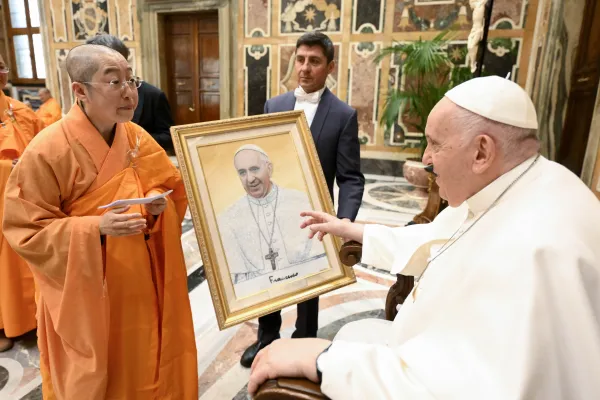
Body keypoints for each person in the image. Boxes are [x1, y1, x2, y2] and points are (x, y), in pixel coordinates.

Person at [247, 76, 600, 399]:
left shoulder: (535, 248)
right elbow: (436, 239)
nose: (425, 160)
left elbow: (461, 387)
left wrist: (324, 360)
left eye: (434, 144)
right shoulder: (520, 183)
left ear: (481, 152)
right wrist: (349, 229)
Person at [2, 44, 198, 399]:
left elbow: (171, 189)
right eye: (113, 82)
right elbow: (24, 230)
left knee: (145, 361)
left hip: (140, 284)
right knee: (95, 377)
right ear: (80, 91)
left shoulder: (137, 137)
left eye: (130, 80)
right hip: (86, 290)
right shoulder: (48, 149)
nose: (128, 92)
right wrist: (94, 228)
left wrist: (157, 209)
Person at [240, 31, 365, 368]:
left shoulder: (342, 115)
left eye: (314, 61)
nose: (305, 68)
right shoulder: (274, 105)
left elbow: (350, 178)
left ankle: (305, 341)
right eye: (300, 59)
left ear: (330, 67)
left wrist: (343, 222)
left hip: (313, 216)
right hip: (270, 209)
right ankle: (266, 339)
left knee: (308, 285)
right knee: (268, 276)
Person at [218, 145, 327, 295]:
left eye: (254, 169)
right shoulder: (229, 217)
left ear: (269, 168)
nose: (250, 179)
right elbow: (238, 283)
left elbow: (320, 262)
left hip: (304, 285)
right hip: (260, 294)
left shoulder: (301, 202)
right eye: (242, 173)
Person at [0, 55, 45, 353]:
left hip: (24, 201)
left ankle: (30, 317)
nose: (0, 73)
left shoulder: (22, 111)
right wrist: (8, 168)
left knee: (26, 255)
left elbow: (44, 148)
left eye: (1, 67)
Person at [85, 34, 176, 154]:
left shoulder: (152, 95)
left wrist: (135, 140)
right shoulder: (88, 94)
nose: (127, 93)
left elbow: (169, 138)